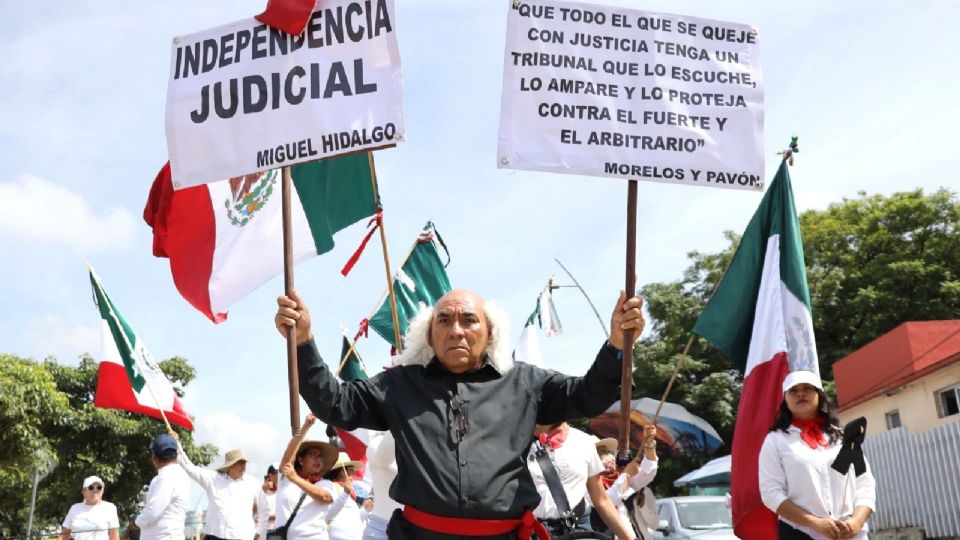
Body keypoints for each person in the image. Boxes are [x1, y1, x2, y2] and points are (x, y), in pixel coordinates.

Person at [275, 287, 644, 539]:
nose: (456, 331)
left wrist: (616, 344)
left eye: (469, 320)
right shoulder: (399, 385)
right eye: (444, 321)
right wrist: (304, 340)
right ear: (429, 335)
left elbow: (588, 397)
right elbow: (334, 402)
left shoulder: (525, 383)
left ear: (490, 332)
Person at [759, 371, 877, 540]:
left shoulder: (844, 437)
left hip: (851, 534)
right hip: (800, 533)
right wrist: (814, 522)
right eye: (793, 390)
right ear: (785, 400)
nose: (801, 393)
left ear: (819, 395)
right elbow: (771, 493)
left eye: (807, 388)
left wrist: (856, 522)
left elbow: (864, 483)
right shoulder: (775, 441)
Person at [527, 422, 635, 539]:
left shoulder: (584, 441)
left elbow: (601, 500)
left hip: (577, 528)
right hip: (529, 530)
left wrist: (629, 538)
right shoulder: (514, 442)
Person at [169, 431, 261, 540]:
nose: (243, 466)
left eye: (244, 462)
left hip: (244, 535)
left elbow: (262, 508)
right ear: (230, 466)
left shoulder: (253, 483)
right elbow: (190, 467)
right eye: (239, 463)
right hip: (216, 535)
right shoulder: (213, 478)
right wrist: (177, 444)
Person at [275, 413, 341, 540]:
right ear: (300, 460)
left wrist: (296, 479)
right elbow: (289, 453)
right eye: (313, 455)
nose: (318, 459)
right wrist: (305, 427)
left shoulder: (326, 484)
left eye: (320, 456)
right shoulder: (286, 478)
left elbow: (325, 497)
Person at [597, 426, 659, 540]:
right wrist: (627, 474)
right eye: (600, 454)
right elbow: (610, 499)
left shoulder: (622, 480)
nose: (607, 458)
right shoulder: (588, 485)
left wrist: (649, 444)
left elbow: (648, 472)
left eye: (607, 452)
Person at [136, 434, 190, 540]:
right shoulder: (181, 474)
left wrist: (137, 522)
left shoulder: (165, 477)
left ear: (154, 457)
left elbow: (153, 512)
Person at [362, 431, 401, 540]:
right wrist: (403, 418)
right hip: (381, 531)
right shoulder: (376, 442)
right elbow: (382, 457)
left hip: (419, 529)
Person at [60, 476, 120, 540]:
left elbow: (114, 537)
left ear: (102, 492)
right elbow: (63, 536)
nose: (95, 490)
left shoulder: (110, 508)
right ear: (84, 492)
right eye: (91, 487)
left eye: (99, 488)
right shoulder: (74, 508)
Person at [321, 453, 365, 540]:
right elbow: (325, 515)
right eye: (351, 470)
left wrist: (366, 511)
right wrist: (345, 493)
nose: (353, 474)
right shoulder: (328, 486)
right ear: (342, 472)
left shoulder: (348, 493)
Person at [255, 465, 279, 540]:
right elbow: (253, 514)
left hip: (277, 532)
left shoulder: (282, 492)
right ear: (270, 475)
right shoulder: (259, 491)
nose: (280, 476)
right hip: (261, 534)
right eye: (277, 473)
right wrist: (262, 491)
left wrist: (268, 517)